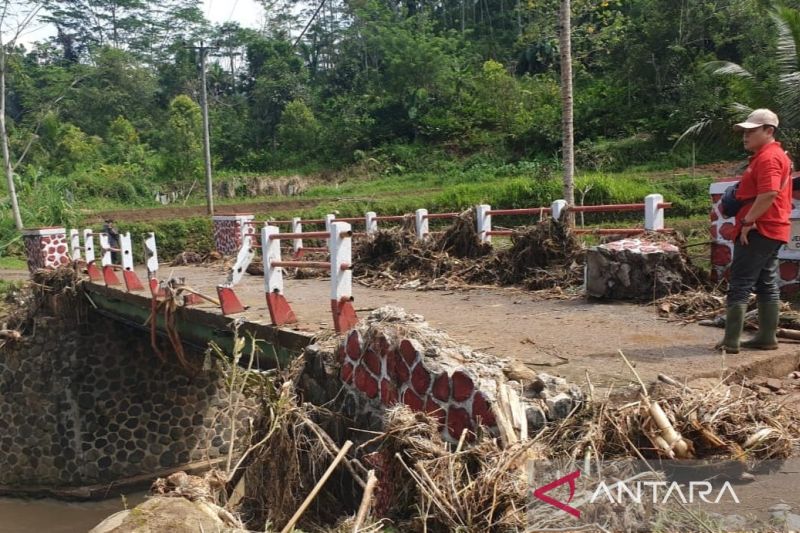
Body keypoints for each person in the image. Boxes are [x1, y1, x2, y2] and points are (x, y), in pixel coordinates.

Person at [717, 109, 793, 353]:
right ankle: (766, 337)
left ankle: (730, 341)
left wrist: (748, 222)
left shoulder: (769, 158)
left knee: (740, 283)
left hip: (759, 229)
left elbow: (769, 193)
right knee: (766, 283)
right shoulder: (770, 155)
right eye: (744, 131)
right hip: (772, 228)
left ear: (768, 131)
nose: (745, 136)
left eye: (751, 131)